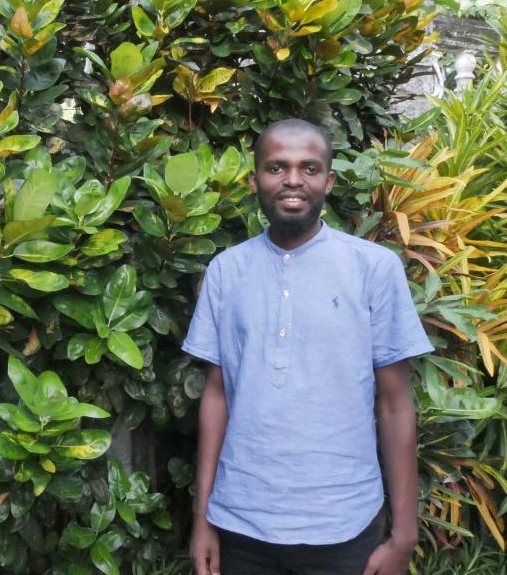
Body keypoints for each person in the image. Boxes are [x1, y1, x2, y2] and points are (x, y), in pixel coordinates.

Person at [183, 119, 433, 575]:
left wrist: (405, 534)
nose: (293, 179)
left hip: (345, 525)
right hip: (241, 524)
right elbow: (217, 395)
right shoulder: (226, 271)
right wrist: (202, 521)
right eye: (277, 167)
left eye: (309, 167)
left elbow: (396, 404)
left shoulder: (373, 269)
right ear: (255, 179)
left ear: (329, 181)